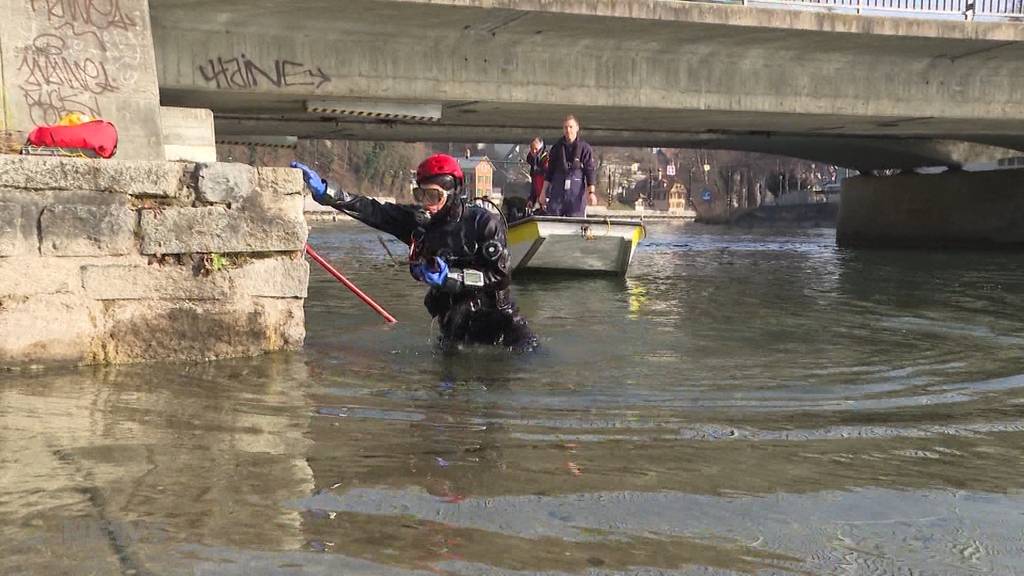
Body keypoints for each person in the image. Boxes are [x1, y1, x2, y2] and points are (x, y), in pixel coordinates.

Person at [291, 155, 538, 353]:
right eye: (421, 195)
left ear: (452, 194)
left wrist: (452, 278)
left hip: (500, 323)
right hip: (455, 326)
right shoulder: (418, 224)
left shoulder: (483, 224)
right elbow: (373, 210)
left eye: (434, 196)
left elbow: (500, 276)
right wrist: (328, 193)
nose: (426, 204)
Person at [538, 115, 597, 217]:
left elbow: (590, 170)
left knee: (576, 224)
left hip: (575, 197)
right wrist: (543, 192)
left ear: (577, 128)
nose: (568, 130)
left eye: (571, 127)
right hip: (557, 195)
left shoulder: (585, 148)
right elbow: (549, 173)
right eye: (565, 127)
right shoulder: (556, 148)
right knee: (553, 220)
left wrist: (591, 192)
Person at [525, 137, 548, 213]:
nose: (534, 151)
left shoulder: (547, 161)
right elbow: (534, 184)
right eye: (532, 149)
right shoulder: (533, 164)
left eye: (536, 149)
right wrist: (531, 199)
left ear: (541, 148)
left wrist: (546, 196)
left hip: (548, 200)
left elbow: (549, 180)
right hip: (540, 201)